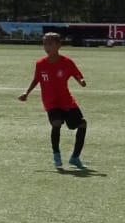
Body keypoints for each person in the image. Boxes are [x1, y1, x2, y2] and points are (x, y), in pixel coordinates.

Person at [18, 31, 89, 169]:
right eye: (45, 43)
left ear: (58, 45)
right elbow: (37, 79)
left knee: (82, 124)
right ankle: (56, 155)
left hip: (66, 101)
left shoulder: (67, 62)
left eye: (50, 43)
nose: (46, 47)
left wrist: (81, 81)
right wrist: (27, 92)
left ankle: (75, 157)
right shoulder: (40, 63)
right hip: (51, 101)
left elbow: (77, 74)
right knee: (56, 123)